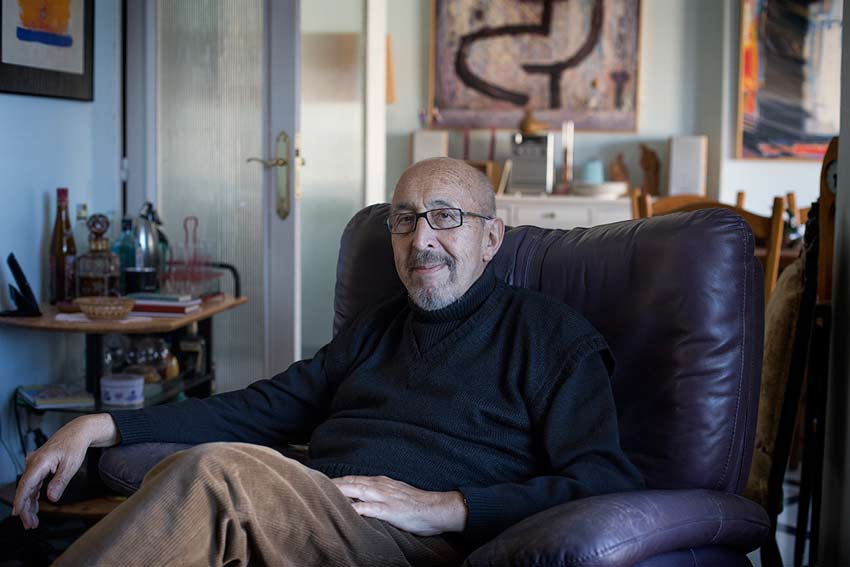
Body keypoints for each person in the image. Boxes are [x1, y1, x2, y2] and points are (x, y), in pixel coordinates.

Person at [13, 158, 643, 566]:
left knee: (218, 475)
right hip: (315, 507)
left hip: (413, 545)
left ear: (491, 238)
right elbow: (262, 407)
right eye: (403, 221)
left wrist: (446, 506)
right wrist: (103, 424)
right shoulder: (377, 329)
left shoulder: (550, 336)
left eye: (445, 219)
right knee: (212, 490)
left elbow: (606, 480)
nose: (421, 240)